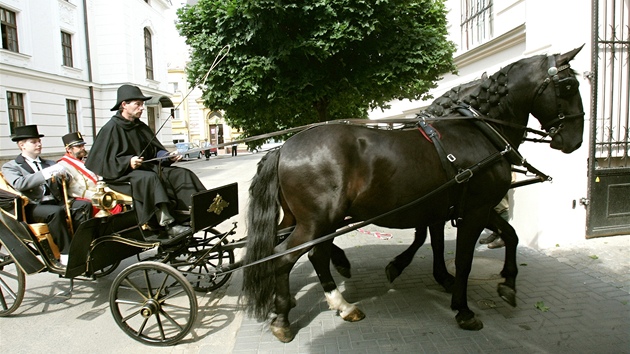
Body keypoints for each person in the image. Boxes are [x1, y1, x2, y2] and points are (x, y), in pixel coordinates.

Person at [85, 84, 206, 237]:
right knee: (150, 179)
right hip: (121, 176)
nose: (142, 108)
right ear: (124, 105)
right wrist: (127, 162)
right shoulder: (110, 128)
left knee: (181, 173)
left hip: (146, 170)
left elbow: (154, 151)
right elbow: (99, 162)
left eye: (142, 104)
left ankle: (194, 213)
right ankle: (168, 224)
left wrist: (167, 156)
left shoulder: (141, 127)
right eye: (138, 104)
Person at [2, 125, 92, 265]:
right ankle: (65, 253)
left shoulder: (49, 163)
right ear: (22, 145)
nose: (39, 144)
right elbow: (19, 183)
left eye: (39, 141)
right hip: (34, 206)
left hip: (56, 201)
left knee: (84, 205)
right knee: (55, 212)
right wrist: (46, 173)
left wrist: (64, 176)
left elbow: (65, 183)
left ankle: (80, 244)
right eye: (33, 142)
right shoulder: (12, 166)